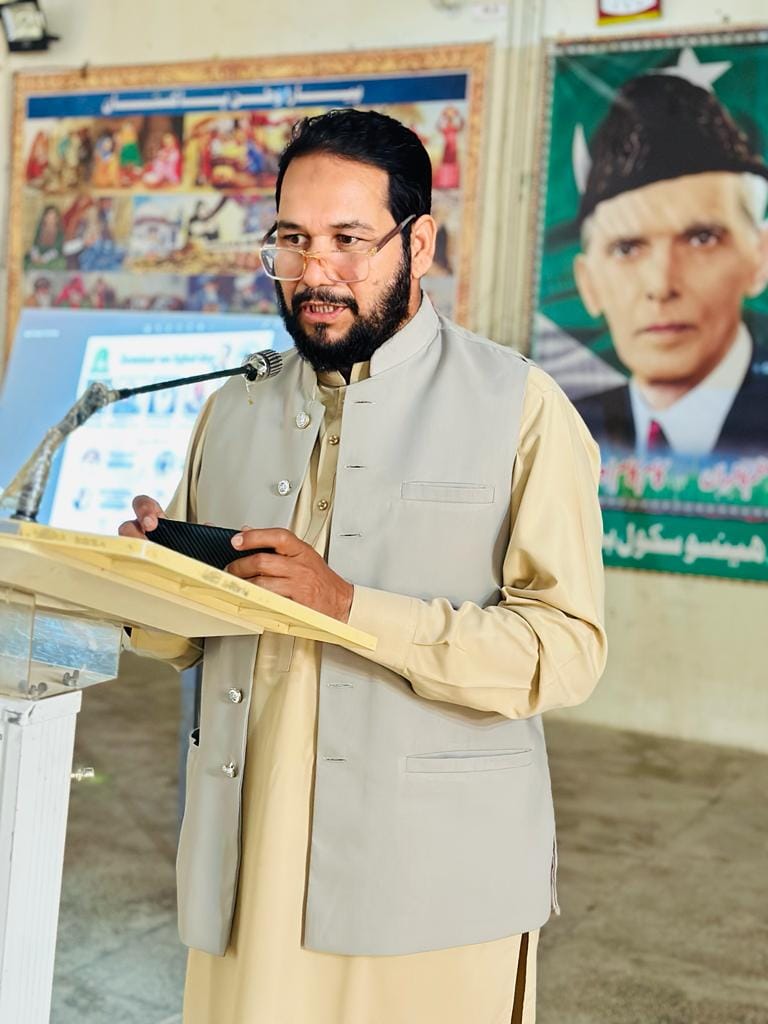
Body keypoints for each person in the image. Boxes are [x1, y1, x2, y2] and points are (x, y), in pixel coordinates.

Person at [120, 108, 606, 1024]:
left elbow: (568, 651)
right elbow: (184, 638)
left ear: (419, 244)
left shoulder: (520, 408)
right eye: (293, 240)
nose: (315, 273)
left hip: (432, 884)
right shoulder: (234, 408)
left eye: (349, 240)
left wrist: (348, 605)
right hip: (245, 876)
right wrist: (151, 581)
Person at [573, 74, 768, 458]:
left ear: (760, 258)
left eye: (701, 239)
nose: (661, 285)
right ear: (588, 284)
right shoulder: (568, 430)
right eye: (627, 248)